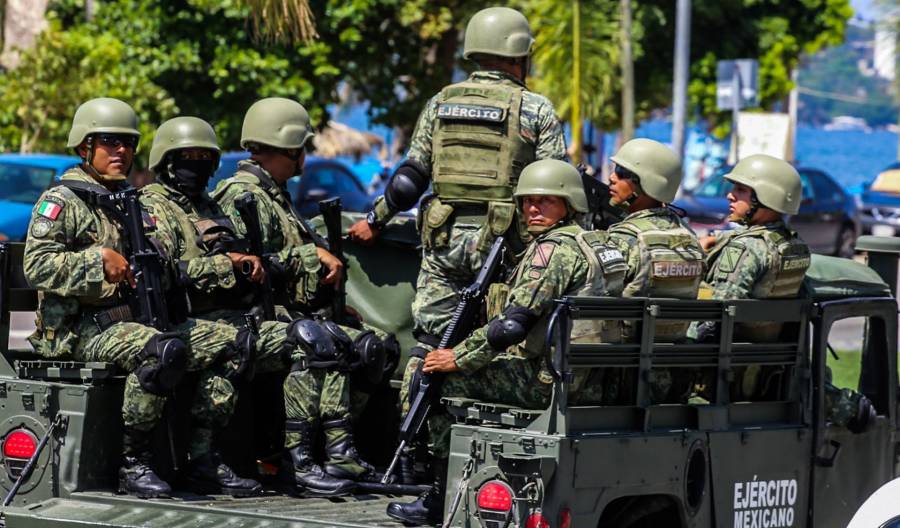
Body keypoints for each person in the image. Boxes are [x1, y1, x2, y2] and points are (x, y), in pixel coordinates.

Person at [347, 5, 567, 482]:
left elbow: (409, 180)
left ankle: (415, 457)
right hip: (507, 249)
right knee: (492, 348)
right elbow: (557, 184)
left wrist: (374, 221)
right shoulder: (536, 108)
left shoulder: (442, 101)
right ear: (519, 56)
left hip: (444, 244)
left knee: (429, 346)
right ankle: (475, 463)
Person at [23, 98, 260, 498]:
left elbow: (165, 264)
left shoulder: (129, 202)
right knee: (160, 352)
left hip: (132, 321)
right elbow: (37, 265)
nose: (121, 152)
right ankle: (134, 463)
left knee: (234, 342)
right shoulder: (64, 201)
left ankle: (202, 458)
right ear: (85, 146)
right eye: (110, 142)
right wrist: (98, 262)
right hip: (81, 330)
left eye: (128, 144)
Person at [386, 159, 625, 525]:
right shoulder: (602, 245)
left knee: (429, 376)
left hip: (548, 383)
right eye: (528, 201)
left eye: (546, 200)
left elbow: (512, 327)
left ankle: (438, 491)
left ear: (570, 204)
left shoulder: (552, 251)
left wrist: (457, 358)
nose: (533, 208)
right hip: (592, 380)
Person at [211, 99, 396, 495]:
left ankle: (340, 449)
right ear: (290, 148)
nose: (306, 158)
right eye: (303, 149)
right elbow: (241, 269)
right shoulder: (241, 195)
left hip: (289, 312)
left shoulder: (274, 194)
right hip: (252, 320)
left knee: (376, 347)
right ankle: (299, 458)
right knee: (318, 341)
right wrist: (308, 257)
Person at [691, 155, 876, 430]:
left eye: (741, 190)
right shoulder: (794, 247)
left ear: (767, 197)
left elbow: (717, 317)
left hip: (728, 372)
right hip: (767, 368)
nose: (730, 196)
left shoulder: (744, 250)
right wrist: (717, 240)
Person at [605, 138, 705, 402]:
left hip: (619, 377)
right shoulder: (690, 238)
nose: (611, 178)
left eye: (623, 174)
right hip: (672, 376)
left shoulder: (624, 239)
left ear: (648, 184)